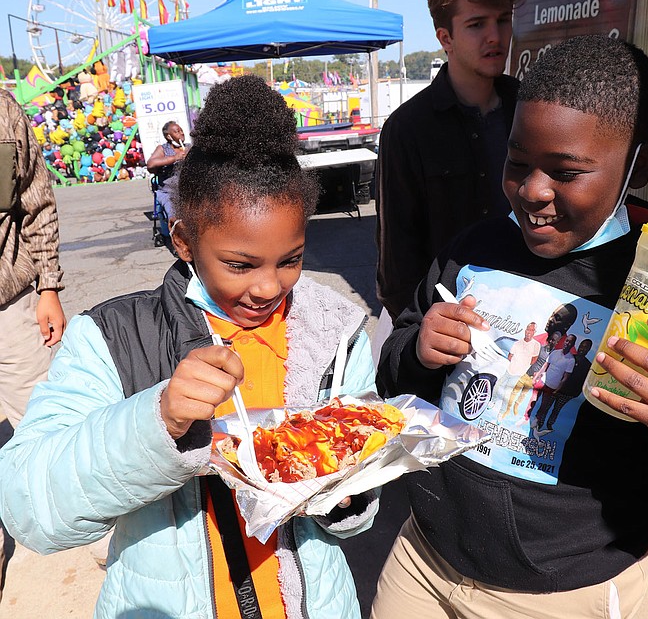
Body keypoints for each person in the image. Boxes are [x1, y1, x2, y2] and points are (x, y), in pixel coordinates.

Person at [372, 35, 648, 618]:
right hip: (422, 556)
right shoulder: (475, 248)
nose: (532, 192)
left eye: (567, 172)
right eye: (517, 162)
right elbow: (394, 377)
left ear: (641, 164)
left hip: (561, 595)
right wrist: (417, 351)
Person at [0, 75, 377, 619]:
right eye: (239, 265)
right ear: (184, 240)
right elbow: (28, 506)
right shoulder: (115, 337)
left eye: (290, 259)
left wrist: (350, 496)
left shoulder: (334, 334)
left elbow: (362, 481)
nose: (269, 288)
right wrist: (156, 422)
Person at [375, 0, 525, 322]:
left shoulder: (530, 109)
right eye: (476, 25)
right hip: (442, 326)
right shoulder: (407, 128)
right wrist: (418, 333)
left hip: (527, 313)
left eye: (503, 19)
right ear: (446, 39)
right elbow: (396, 265)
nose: (495, 36)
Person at [0, 87, 66, 601]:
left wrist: (48, 287)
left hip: (11, 306)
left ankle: (57, 526)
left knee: (41, 421)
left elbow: (35, 203)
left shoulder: (3, 111)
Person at [529, 333, 577, 437]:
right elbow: (545, 366)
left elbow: (565, 378)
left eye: (570, 342)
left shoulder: (571, 360)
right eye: (567, 341)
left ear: (572, 344)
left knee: (544, 405)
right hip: (542, 381)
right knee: (533, 400)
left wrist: (557, 389)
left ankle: (536, 421)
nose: (567, 343)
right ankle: (526, 417)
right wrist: (536, 377)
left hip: (552, 386)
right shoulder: (555, 352)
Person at [496, 321, 540, 419]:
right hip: (508, 370)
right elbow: (510, 356)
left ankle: (501, 413)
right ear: (525, 330)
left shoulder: (535, 345)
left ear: (534, 332)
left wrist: (522, 366)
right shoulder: (517, 343)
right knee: (497, 386)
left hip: (519, 374)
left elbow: (533, 360)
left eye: (532, 330)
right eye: (528, 329)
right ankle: (492, 402)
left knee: (508, 393)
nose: (529, 332)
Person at [146, 120, 187, 218]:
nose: (181, 133)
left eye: (181, 130)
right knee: (175, 215)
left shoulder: (188, 147)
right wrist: (175, 158)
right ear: (169, 136)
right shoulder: (163, 149)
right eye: (177, 131)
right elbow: (150, 164)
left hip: (188, 191)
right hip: (168, 192)